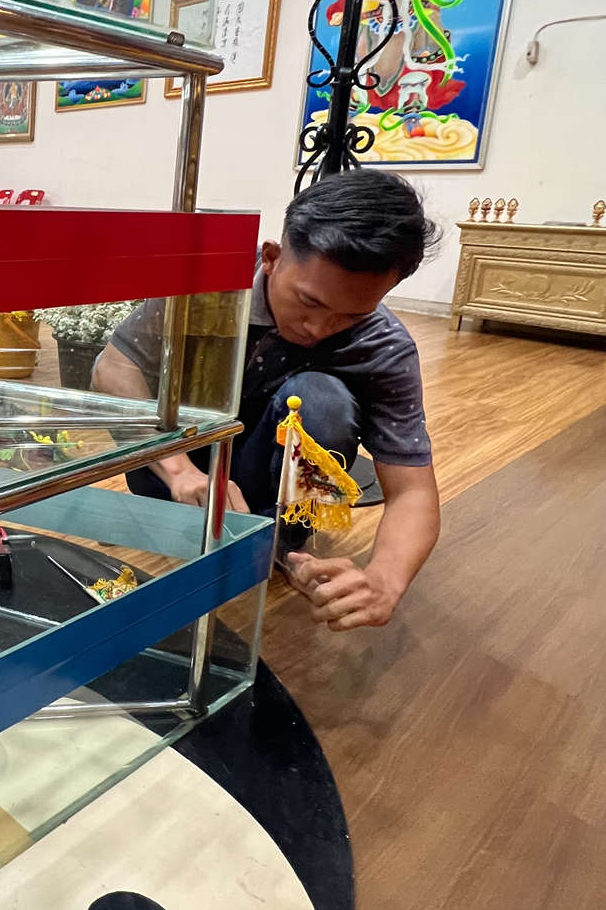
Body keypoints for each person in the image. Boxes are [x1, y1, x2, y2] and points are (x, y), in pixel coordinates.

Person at [93, 170, 442, 632]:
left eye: (351, 316)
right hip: (174, 474)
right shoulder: (212, 287)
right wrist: (179, 472)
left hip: (272, 497)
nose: (318, 329)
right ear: (272, 257)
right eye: (309, 302)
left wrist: (384, 580)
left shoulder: (382, 344)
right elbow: (113, 367)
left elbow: (413, 489)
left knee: (321, 400)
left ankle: (281, 540)